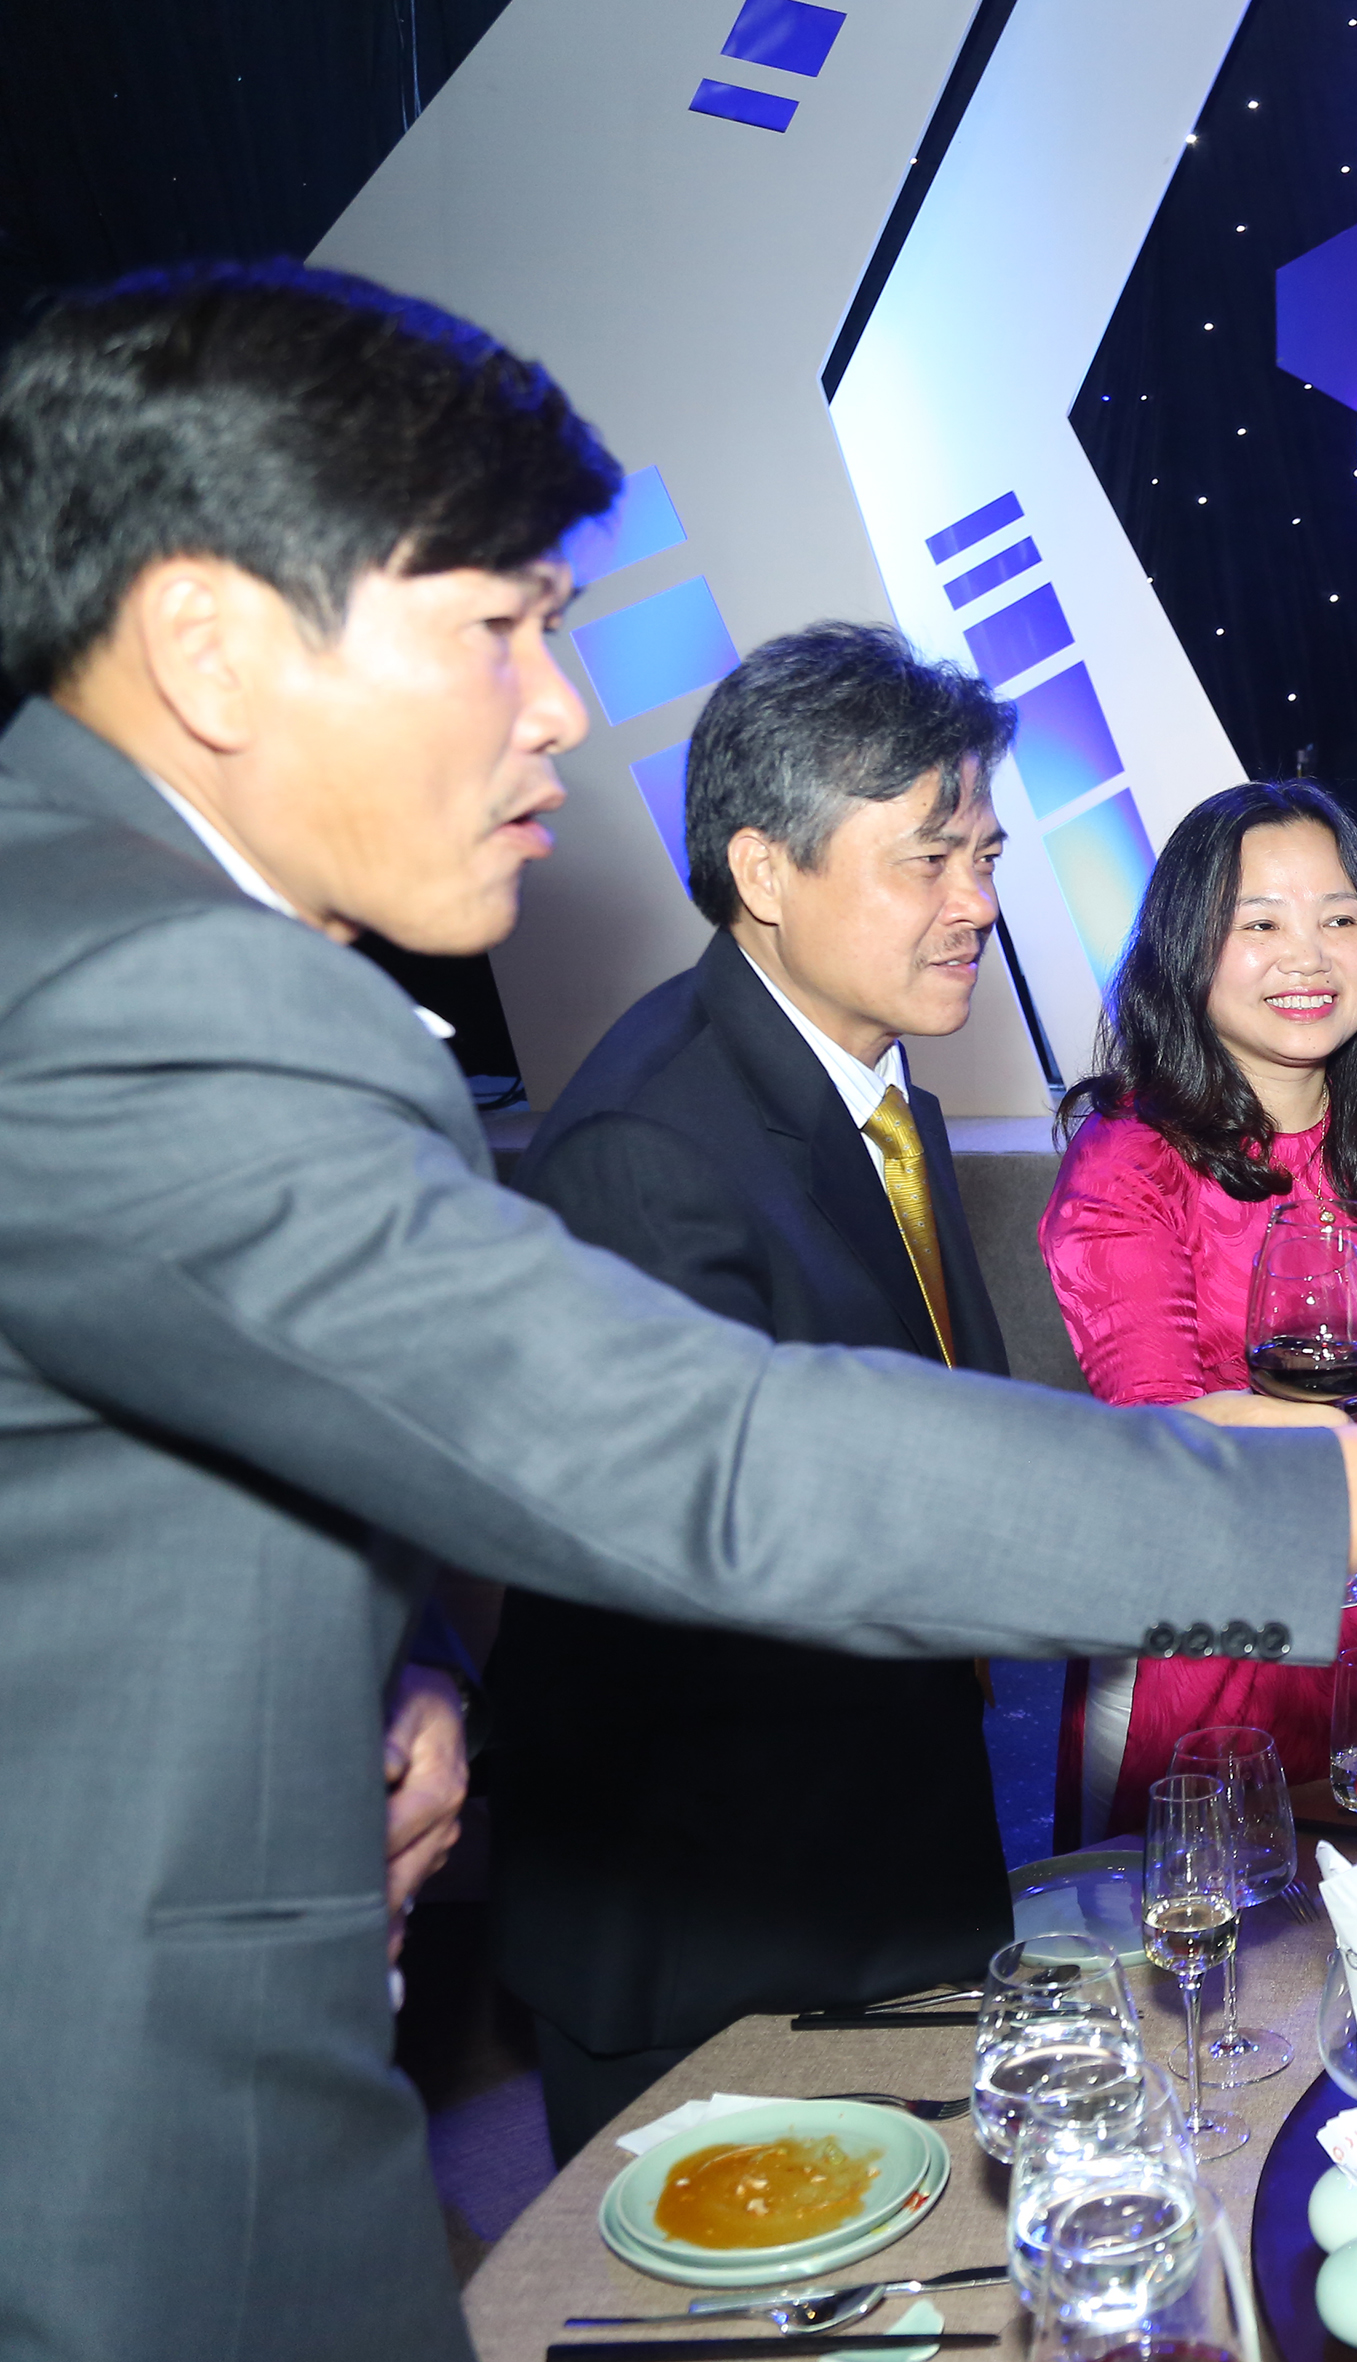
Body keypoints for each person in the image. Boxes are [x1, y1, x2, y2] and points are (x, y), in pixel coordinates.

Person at [0, 262, 1357, 2362]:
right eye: (498, 625)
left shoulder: (115, 946)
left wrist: (398, 1661)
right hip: (114, 2125)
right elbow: (717, 1455)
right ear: (207, 642)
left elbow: (255, 1425)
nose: (556, 708)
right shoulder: (147, 991)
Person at [489, 622, 1030, 2159]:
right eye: (929, 861)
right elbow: (772, 1558)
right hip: (723, 1927)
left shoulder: (858, 1080)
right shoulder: (653, 1153)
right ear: (765, 870)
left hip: (883, 1861)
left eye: (987, 857)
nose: (979, 904)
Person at [1042, 780, 1357, 1833]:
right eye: (1260, 925)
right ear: (1188, 951)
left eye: (1339, 919)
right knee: (1206, 1914)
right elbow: (1160, 1418)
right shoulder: (1129, 1162)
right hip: (1199, 1628)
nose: (1308, 957)